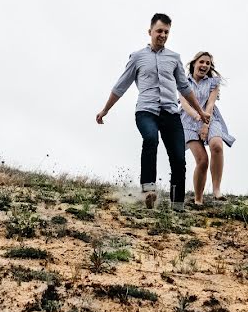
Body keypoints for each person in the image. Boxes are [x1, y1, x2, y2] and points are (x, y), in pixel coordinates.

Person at [96, 13, 209, 211]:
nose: (163, 35)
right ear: (150, 32)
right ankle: (148, 190)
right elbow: (121, 85)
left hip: (170, 112)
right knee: (150, 139)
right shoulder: (138, 57)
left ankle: (177, 204)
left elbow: (184, 88)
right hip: (146, 111)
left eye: (166, 32)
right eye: (159, 31)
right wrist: (105, 109)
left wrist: (200, 111)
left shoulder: (174, 58)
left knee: (178, 158)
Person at [180, 51, 235, 203]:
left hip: (210, 118)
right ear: (194, 64)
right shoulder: (183, 82)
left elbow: (210, 104)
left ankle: (216, 190)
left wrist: (205, 124)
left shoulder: (213, 82)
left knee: (217, 146)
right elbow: (185, 105)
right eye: (201, 62)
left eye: (208, 63)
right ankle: (198, 199)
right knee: (202, 160)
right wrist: (198, 117)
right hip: (188, 121)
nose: (204, 65)